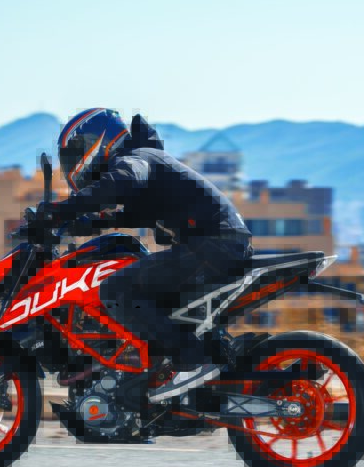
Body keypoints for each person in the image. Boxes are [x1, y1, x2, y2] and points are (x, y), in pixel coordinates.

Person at [36, 108, 252, 402]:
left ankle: (191, 361)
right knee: (152, 298)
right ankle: (168, 368)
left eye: (74, 154)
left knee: (115, 289)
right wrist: (84, 223)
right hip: (219, 246)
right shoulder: (150, 162)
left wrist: (61, 210)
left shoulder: (137, 159)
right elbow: (135, 213)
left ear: (96, 140)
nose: (72, 164)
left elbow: (120, 182)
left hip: (213, 247)